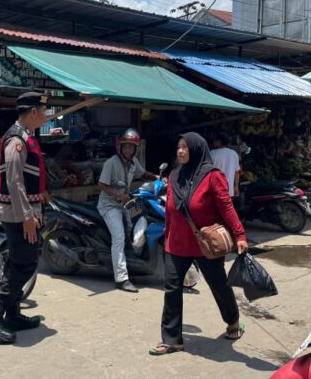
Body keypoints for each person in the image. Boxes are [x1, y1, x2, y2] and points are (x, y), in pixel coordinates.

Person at [150, 132, 249, 356]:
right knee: (172, 288)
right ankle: (172, 340)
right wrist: (167, 233)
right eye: (179, 147)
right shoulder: (175, 175)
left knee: (219, 284)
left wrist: (240, 235)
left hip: (205, 245)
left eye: (185, 147)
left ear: (196, 149)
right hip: (176, 243)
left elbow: (226, 206)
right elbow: (170, 208)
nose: (180, 151)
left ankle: (233, 321)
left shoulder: (212, 176)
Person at [0, 91, 49, 344]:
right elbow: (14, 180)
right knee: (24, 264)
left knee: (18, 262)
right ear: (33, 111)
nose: (45, 116)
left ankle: (13, 314)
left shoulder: (26, 136)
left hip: (25, 211)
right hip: (18, 214)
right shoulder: (16, 140)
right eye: (44, 111)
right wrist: (27, 216)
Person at [97, 128, 159, 293]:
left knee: (138, 226)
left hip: (126, 204)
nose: (128, 149)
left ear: (135, 149)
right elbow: (101, 185)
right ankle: (121, 278)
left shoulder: (133, 162)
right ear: (120, 147)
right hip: (109, 206)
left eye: (131, 147)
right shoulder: (111, 163)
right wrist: (118, 195)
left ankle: (132, 262)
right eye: (125, 146)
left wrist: (157, 178)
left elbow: (143, 173)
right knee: (119, 237)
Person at [210, 132, 241, 198]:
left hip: (215, 191)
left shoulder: (211, 154)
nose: (213, 142)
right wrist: (236, 187)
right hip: (229, 192)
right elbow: (237, 172)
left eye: (215, 140)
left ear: (219, 141)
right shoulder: (234, 154)